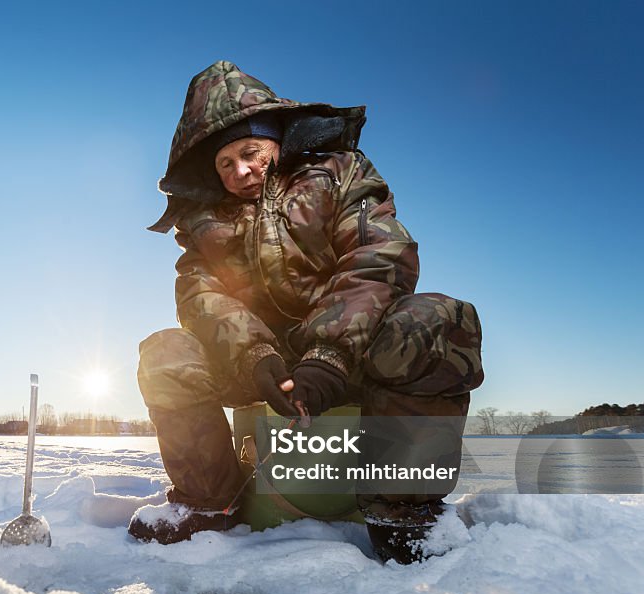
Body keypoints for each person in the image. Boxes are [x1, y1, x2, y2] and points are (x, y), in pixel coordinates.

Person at [130, 61, 484, 563]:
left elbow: (378, 258)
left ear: (276, 139)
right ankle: (209, 503)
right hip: (260, 362)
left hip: (354, 350)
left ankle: (404, 511)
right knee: (166, 352)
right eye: (224, 164)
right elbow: (203, 299)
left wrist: (330, 353)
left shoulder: (341, 174)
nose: (240, 172)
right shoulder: (203, 222)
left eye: (249, 153)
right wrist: (256, 355)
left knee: (435, 321)